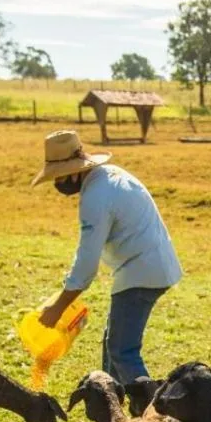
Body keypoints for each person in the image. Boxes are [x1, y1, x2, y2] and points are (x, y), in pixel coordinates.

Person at [30, 129, 182, 384]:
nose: (59, 184)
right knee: (113, 344)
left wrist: (58, 307)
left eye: (61, 176)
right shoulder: (111, 176)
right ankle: (111, 406)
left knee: (122, 351)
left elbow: (86, 262)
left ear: (77, 169)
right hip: (149, 266)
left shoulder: (96, 196)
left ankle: (151, 414)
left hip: (140, 272)